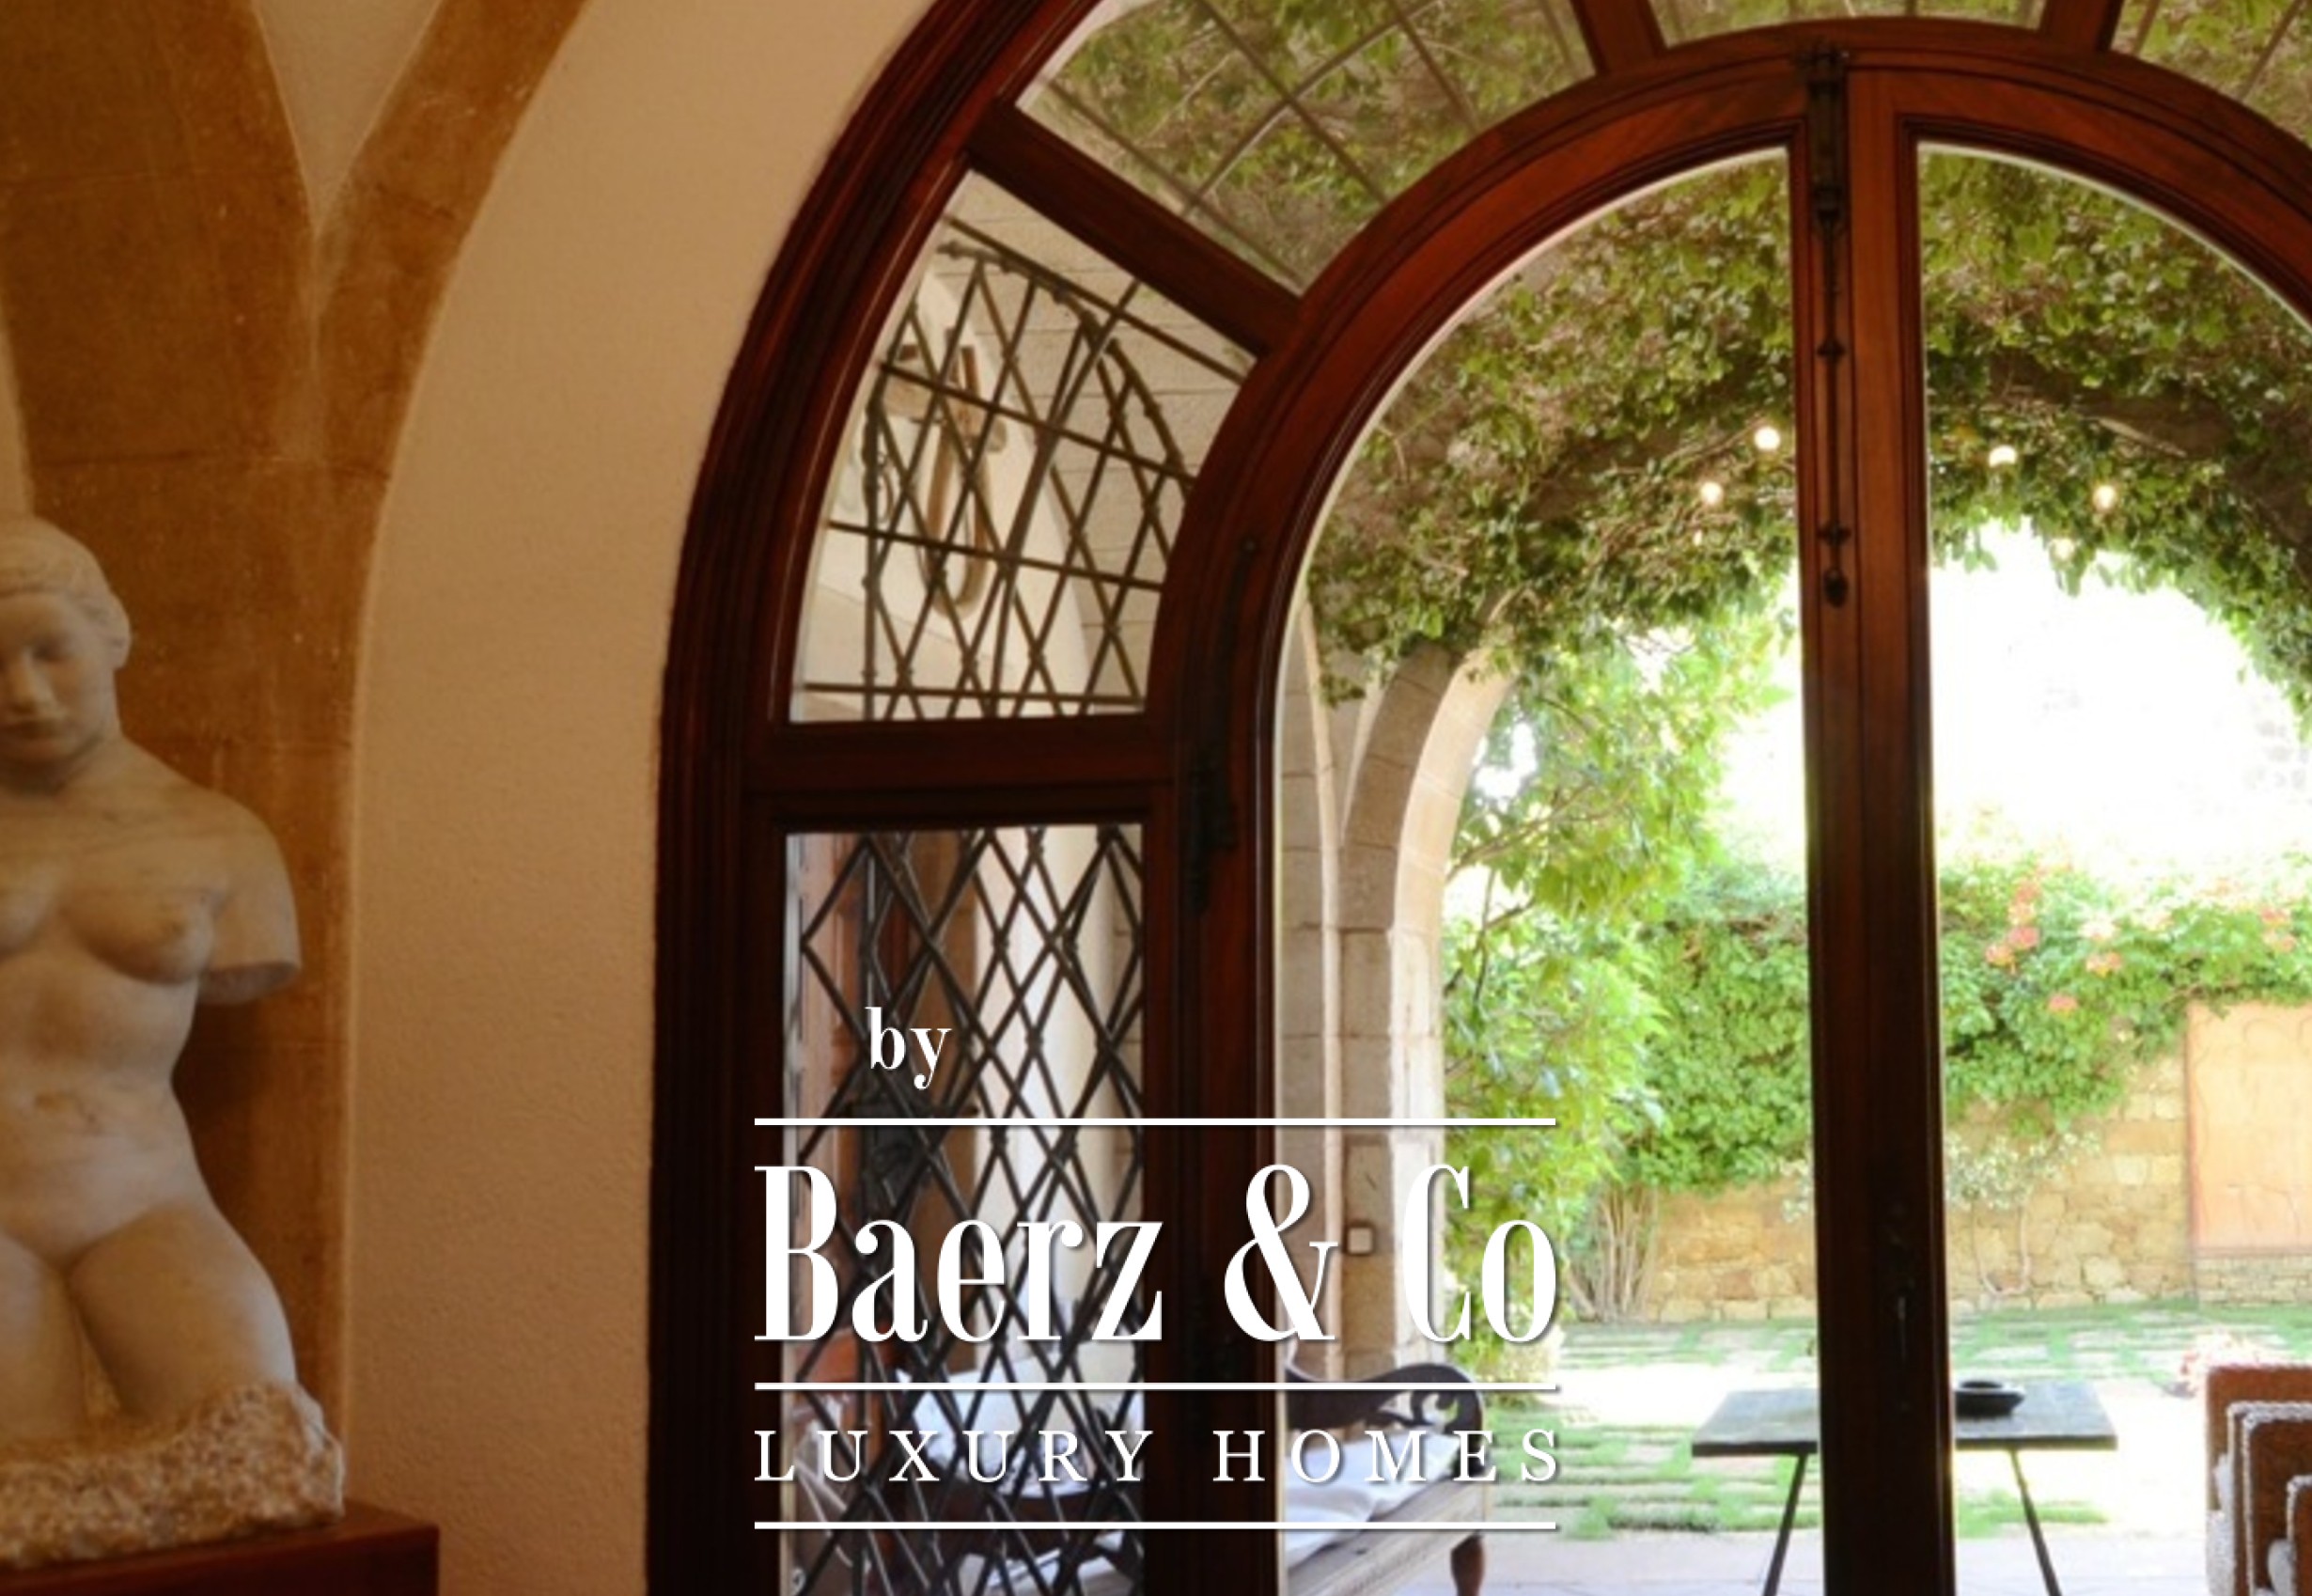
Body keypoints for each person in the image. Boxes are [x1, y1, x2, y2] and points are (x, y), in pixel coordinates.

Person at [0, 515, 306, 1446]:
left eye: (51, 652)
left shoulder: (221, 837)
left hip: (143, 1201)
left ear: (113, 637)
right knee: (23, 1456)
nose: (22, 694)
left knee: (248, 1428)